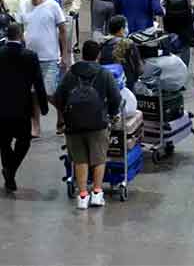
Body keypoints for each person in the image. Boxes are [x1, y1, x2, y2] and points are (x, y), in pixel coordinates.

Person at [54, 40, 121, 209]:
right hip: (98, 123)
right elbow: (116, 98)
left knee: (79, 159)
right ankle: (97, 193)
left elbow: (57, 97)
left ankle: (82, 196)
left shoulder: (71, 73)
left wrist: (65, 114)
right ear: (98, 55)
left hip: (73, 124)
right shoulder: (104, 74)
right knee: (99, 158)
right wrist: (112, 114)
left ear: (82, 54)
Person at [0, 23, 46, 191]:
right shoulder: (30, 56)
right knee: (24, 142)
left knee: (4, 143)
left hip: (1, 108)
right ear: (21, 35)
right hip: (22, 107)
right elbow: (38, 83)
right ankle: (10, 171)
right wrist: (44, 106)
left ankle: (9, 171)